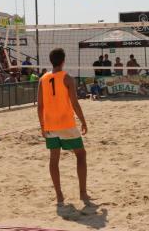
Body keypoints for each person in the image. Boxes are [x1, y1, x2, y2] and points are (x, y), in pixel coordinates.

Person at [37, 48, 90, 204]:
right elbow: (74, 103)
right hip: (66, 123)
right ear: (63, 61)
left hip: (50, 124)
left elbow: (40, 106)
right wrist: (83, 120)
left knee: (54, 159)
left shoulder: (43, 79)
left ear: (51, 60)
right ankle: (83, 193)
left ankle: (59, 195)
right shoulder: (67, 78)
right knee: (81, 155)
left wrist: (42, 125)